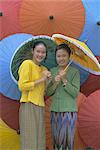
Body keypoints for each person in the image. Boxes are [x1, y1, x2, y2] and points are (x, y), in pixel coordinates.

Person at [18, 41, 51, 150]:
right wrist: (40, 80)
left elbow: (44, 92)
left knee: (40, 139)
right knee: (29, 140)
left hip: (40, 106)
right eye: (38, 51)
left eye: (43, 52)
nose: (40, 54)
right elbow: (22, 86)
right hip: (28, 104)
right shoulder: (27, 64)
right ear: (33, 51)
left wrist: (49, 81)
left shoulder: (44, 69)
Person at [46, 43, 80, 150]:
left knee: (67, 141)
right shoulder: (53, 71)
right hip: (55, 110)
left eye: (64, 55)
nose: (61, 58)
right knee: (56, 141)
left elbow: (75, 93)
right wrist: (55, 83)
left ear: (69, 56)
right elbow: (48, 93)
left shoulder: (75, 72)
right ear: (55, 57)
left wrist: (65, 80)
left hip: (69, 111)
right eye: (58, 56)